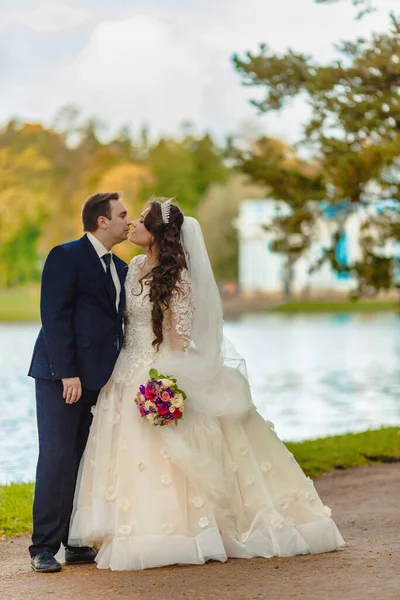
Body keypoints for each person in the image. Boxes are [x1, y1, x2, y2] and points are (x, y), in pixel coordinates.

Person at [69, 198, 345, 571]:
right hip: (123, 371)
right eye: (129, 218)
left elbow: (180, 343)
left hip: (158, 370)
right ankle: (122, 529)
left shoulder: (178, 278)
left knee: (172, 451)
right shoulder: (132, 266)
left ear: (157, 235)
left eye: (142, 221)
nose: (132, 224)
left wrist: (166, 386)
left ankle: (184, 530)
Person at [28, 192, 131, 572]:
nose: (128, 221)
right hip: (60, 377)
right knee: (56, 458)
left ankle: (73, 540)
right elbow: (53, 317)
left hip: (100, 381)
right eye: (122, 215)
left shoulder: (120, 268)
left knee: (84, 460)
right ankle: (42, 546)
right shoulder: (65, 256)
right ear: (101, 221)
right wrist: (67, 372)